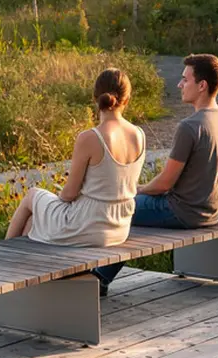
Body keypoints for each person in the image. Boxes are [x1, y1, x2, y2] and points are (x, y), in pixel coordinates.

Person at [93, 53, 218, 289]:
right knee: (129, 208)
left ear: (202, 86)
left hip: (182, 212)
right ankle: (100, 275)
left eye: (185, 80)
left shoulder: (190, 127)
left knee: (117, 209)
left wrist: (136, 190)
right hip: (213, 212)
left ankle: (96, 279)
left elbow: (164, 184)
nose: (179, 84)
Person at [9, 68, 145, 247]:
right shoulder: (139, 135)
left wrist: (57, 198)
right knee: (35, 221)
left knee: (32, 196)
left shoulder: (90, 137)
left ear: (95, 98)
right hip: (119, 228)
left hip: (86, 226)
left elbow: (69, 194)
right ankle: (26, 263)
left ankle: (4, 253)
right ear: (126, 100)